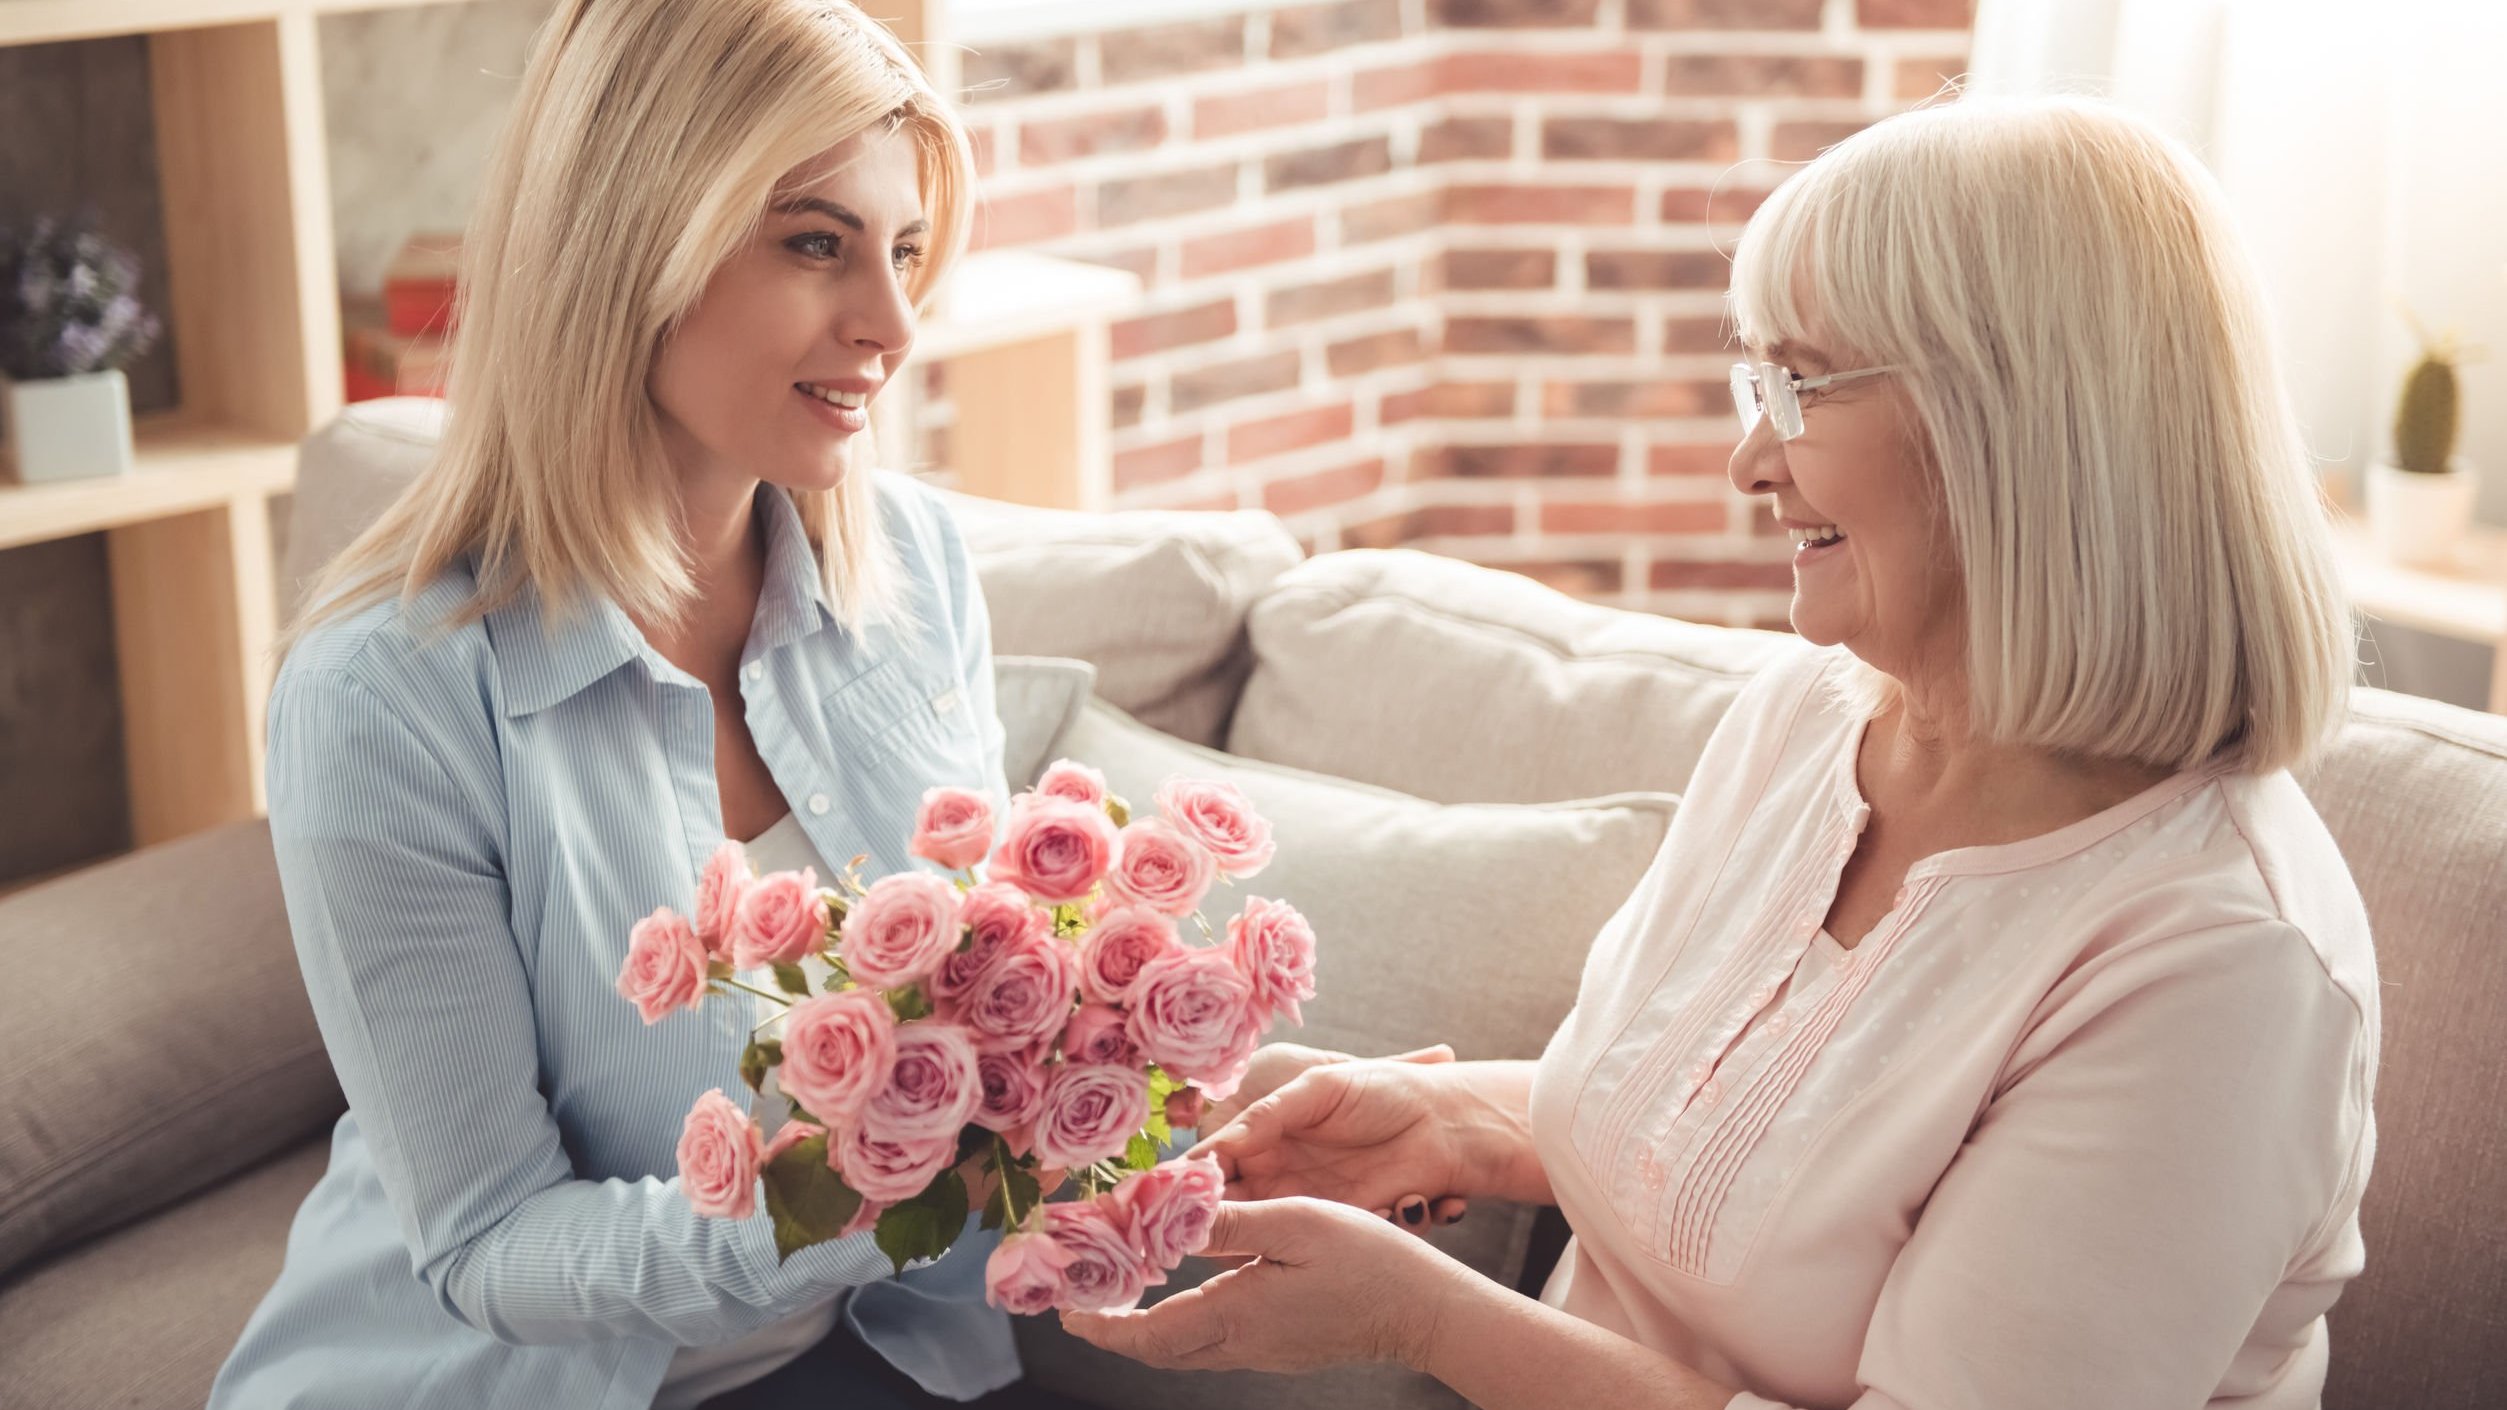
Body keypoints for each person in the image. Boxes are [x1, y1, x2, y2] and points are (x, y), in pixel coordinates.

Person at [1061, 95, 2378, 1410]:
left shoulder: (2224, 968)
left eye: (1800, 385)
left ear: (2022, 422)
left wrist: (1423, 1315)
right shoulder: (1809, 718)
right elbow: (1753, 1135)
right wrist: (1461, 1123)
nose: (1752, 457)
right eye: (1757, 382)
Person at [208, 3, 1070, 1406]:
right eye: (815, 242)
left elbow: (998, 1022)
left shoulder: (912, 565)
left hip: (868, 1357)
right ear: (630, 242)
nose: (894, 323)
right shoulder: (384, 694)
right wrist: (842, 1207)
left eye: (906, 250)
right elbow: (490, 1238)